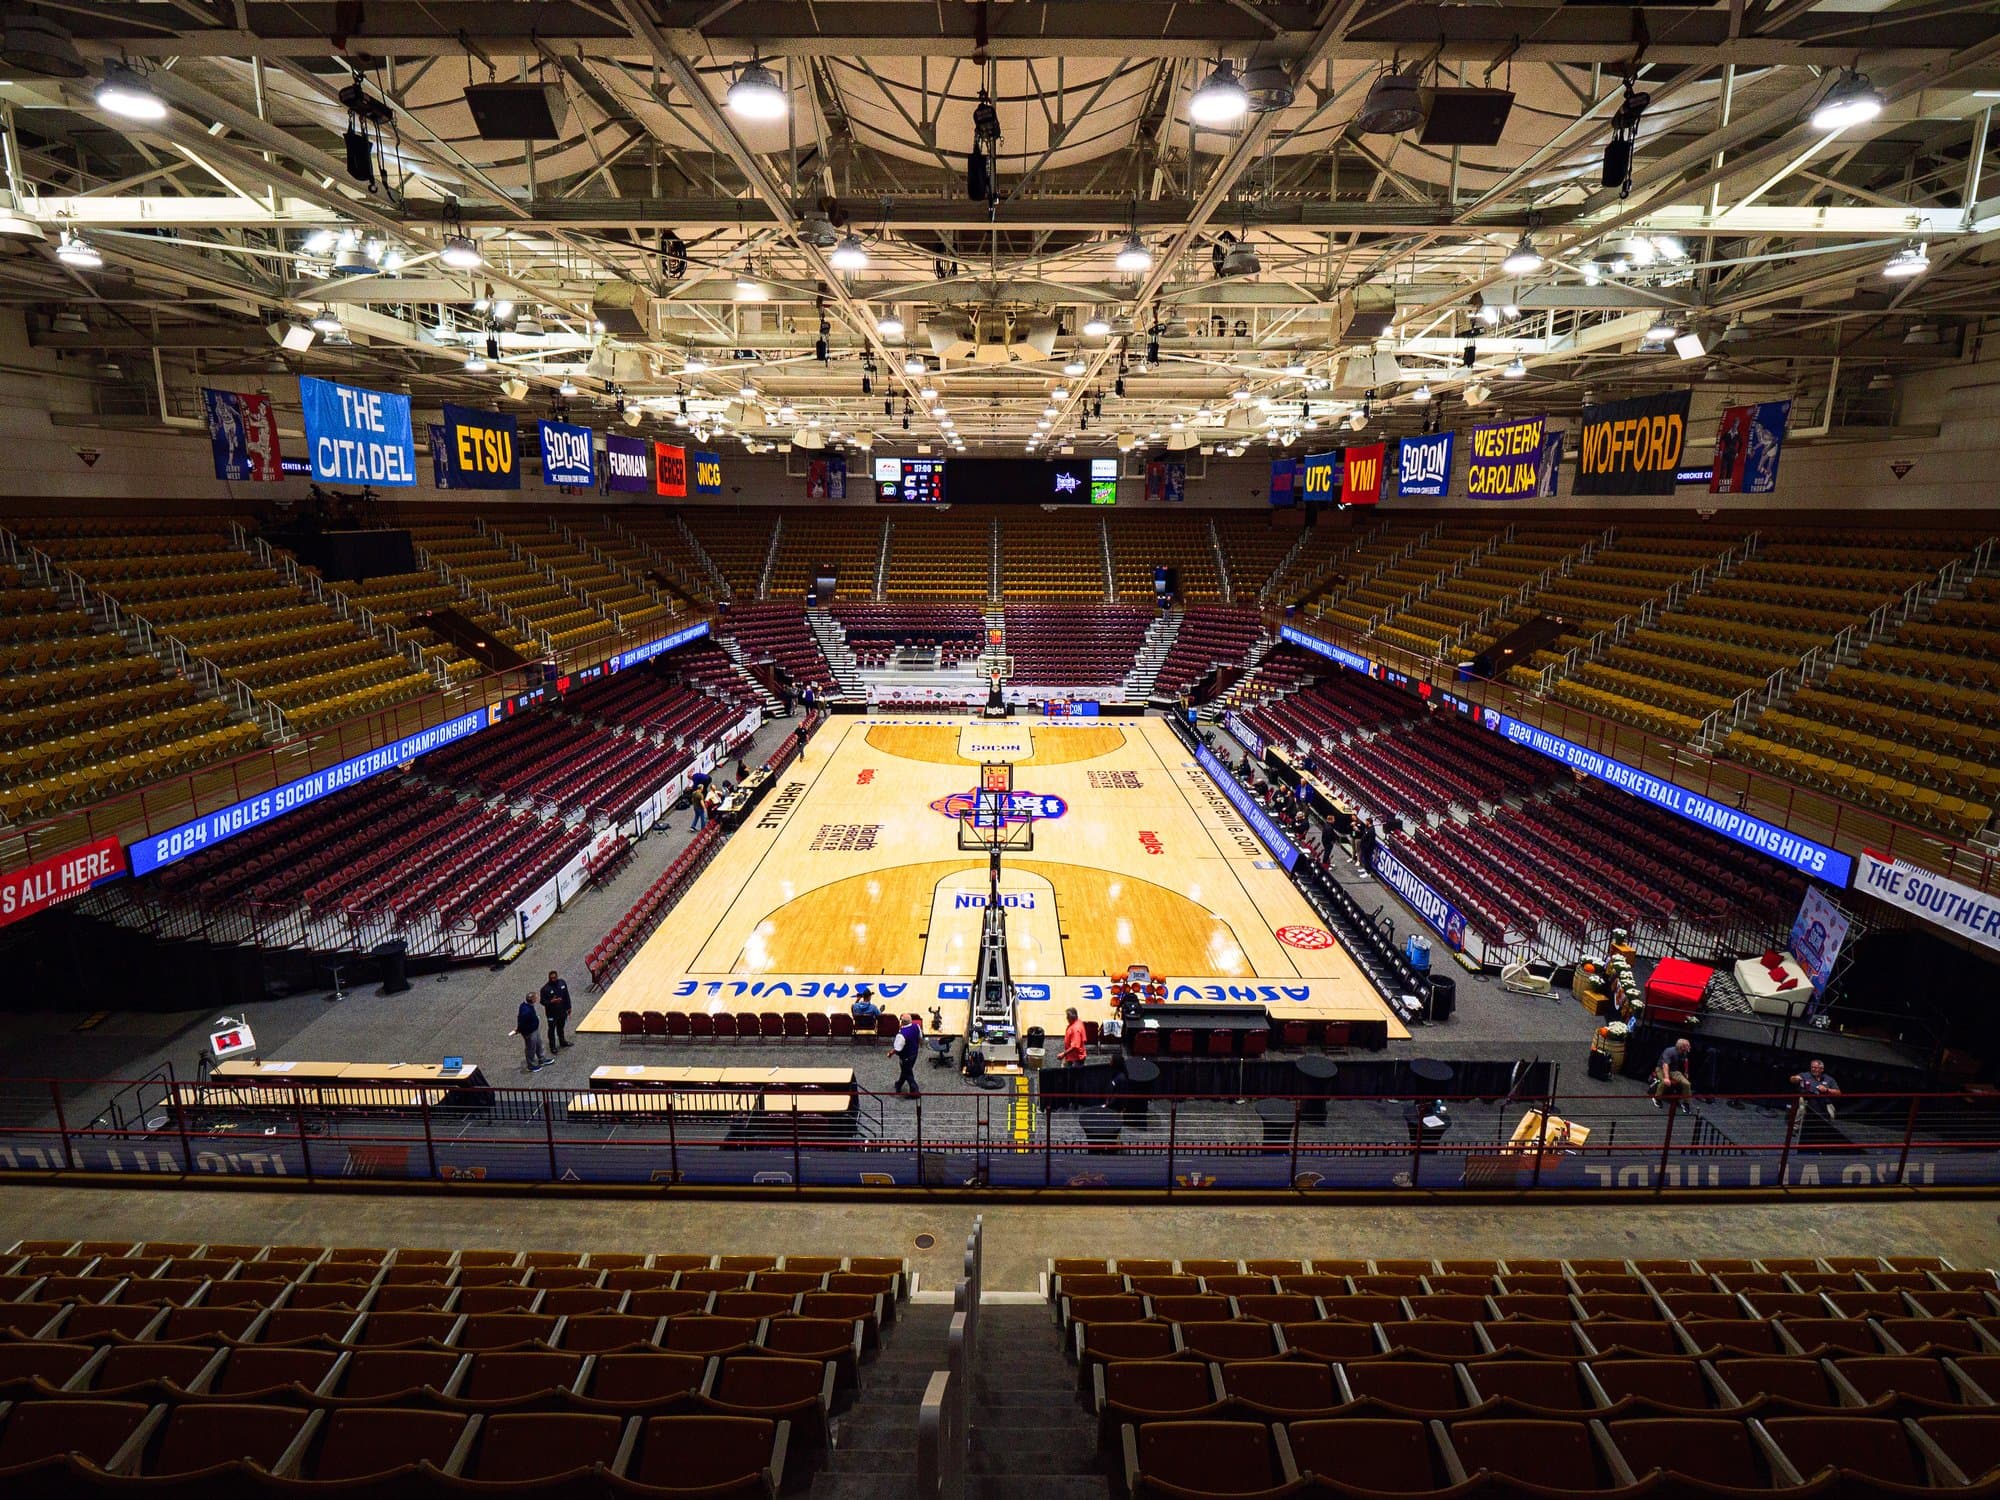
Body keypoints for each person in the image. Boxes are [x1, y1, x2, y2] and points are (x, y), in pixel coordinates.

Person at [1652, 1037, 1693, 1111]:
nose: (1689, 1047)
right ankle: (1657, 1098)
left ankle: (1685, 1103)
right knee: (1664, 1081)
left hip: (1673, 1070)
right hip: (1661, 1069)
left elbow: (1686, 1061)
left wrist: (1686, 1072)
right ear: (1682, 1047)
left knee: (1687, 1084)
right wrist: (1667, 1078)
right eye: (1688, 1045)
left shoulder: (1684, 1052)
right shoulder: (1669, 1051)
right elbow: (1665, 1065)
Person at [513, 994, 550, 1072]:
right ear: (532, 999)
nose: (536, 999)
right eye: (535, 998)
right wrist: (519, 1029)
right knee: (530, 1048)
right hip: (529, 1032)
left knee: (539, 1044)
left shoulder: (527, 1005)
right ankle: (531, 1065)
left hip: (534, 1029)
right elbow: (521, 1022)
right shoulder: (526, 1010)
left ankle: (542, 1059)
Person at [890, 1012, 923, 1096]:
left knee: (908, 1074)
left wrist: (891, 1053)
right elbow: (920, 1038)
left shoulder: (901, 1034)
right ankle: (899, 1084)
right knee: (906, 1070)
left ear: (901, 1022)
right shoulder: (917, 1026)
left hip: (905, 1057)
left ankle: (915, 1092)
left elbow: (898, 1048)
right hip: (914, 1053)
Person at [540, 970, 573, 1049]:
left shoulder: (562, 983)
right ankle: (553, 1047)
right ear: (549, 978)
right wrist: (551, 1002)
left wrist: (569, 1007)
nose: (553, 979)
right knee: (551, 1030)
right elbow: (542, 1002)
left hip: (562, 1011)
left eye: (555, 978)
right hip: (552, 1013)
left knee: (561, 1027)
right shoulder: (545, 989)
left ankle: (562, 1042)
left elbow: (566, 996)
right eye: (551, 978)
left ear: (557, 976)